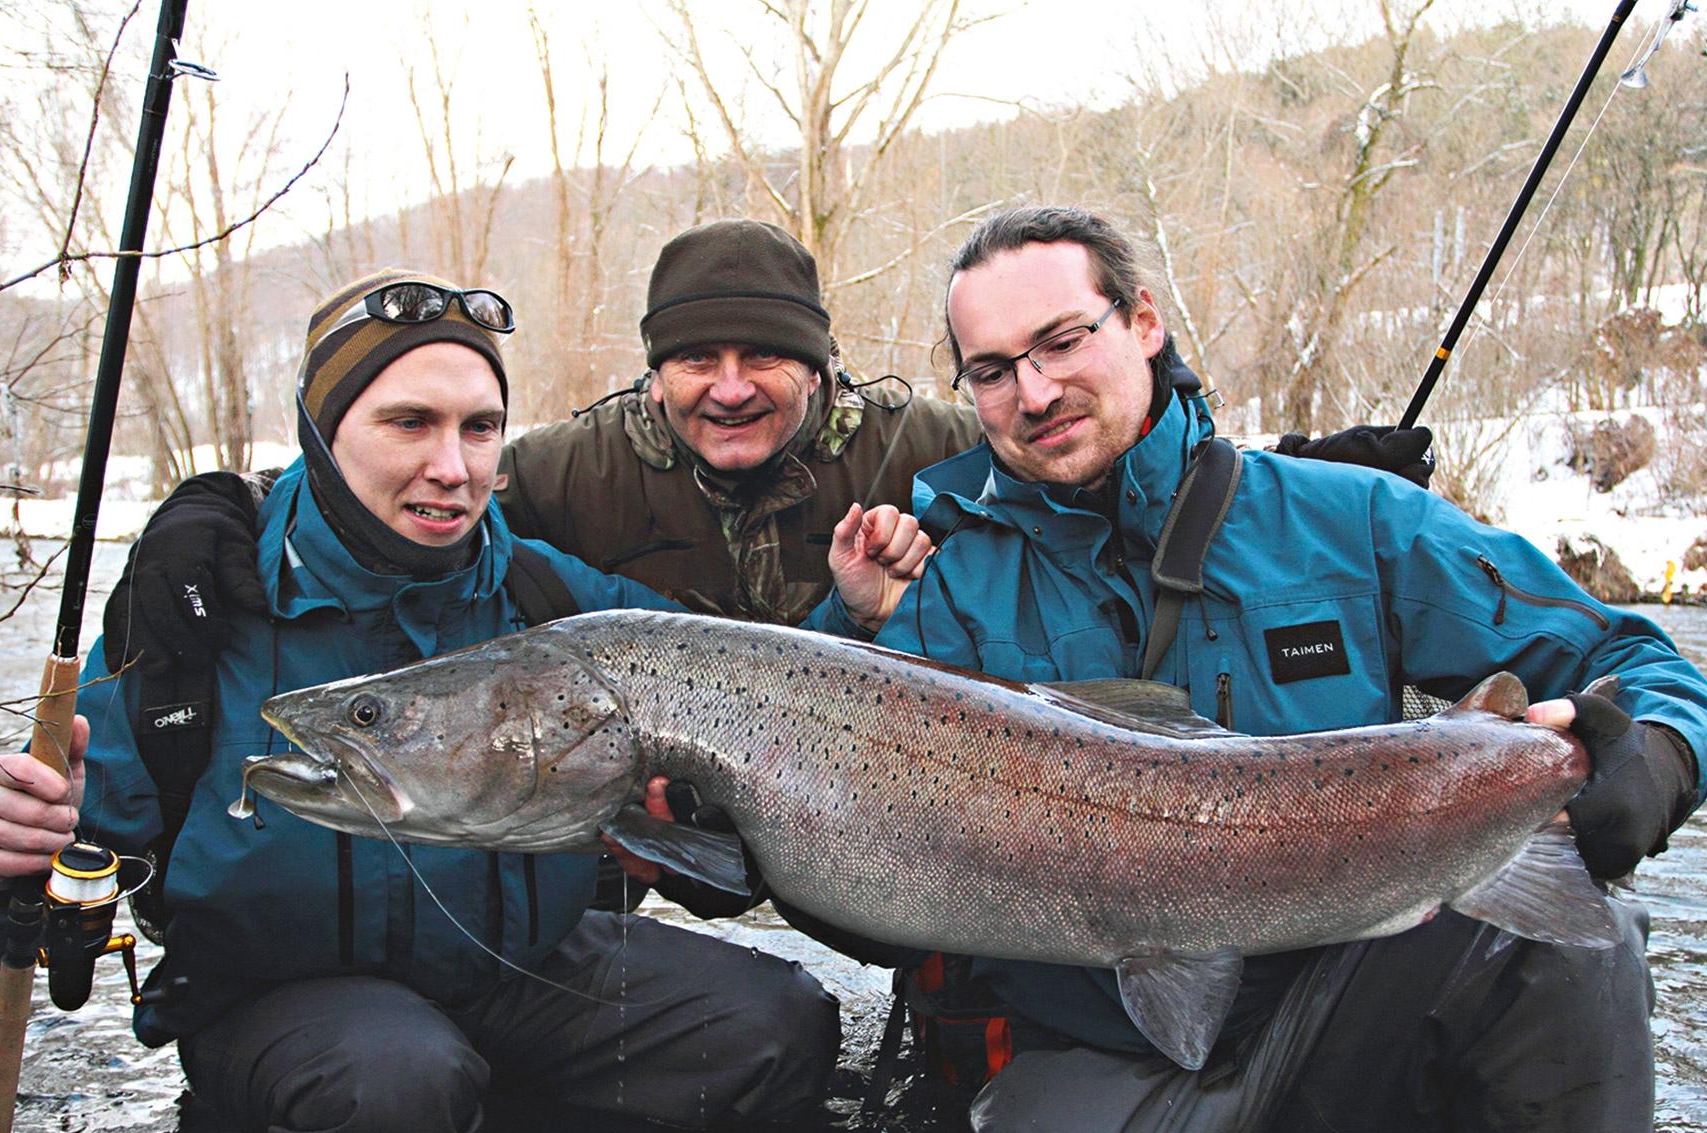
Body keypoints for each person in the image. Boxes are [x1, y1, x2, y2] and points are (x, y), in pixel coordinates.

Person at [0, 269, 928, 1133]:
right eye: (409, 422)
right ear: (323, 432)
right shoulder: (194, 605)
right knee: (391, 1090)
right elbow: (17, 905)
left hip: (522, 974)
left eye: (480, 428)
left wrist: (853, 616)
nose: (452, 468)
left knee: (777, 1031)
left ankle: (496, 1116)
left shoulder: (544, 593)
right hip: (286, 1010)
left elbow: (753, 699)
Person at [106, 219, 1433, 919]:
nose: (730, 385)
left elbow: (1070, 438)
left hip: (855, 798)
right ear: (655, 372)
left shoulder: (919, 442)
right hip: (652, 816)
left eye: (767, 359)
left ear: (820, 366)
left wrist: (1286, 471)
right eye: (697, 358)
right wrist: (214, 512)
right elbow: (390, 485)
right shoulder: (565, 466)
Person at [870, 206, 1707, 1133]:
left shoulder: (1352, 520)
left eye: (1061, 341)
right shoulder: (944, 588)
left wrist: (1655, 757)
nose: (1034, 393)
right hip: (1101, 1031)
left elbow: (1633, 659)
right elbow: (841, 810)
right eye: (993, 370)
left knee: (1574, 939)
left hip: (1345, 1003)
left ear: (1143, 322)